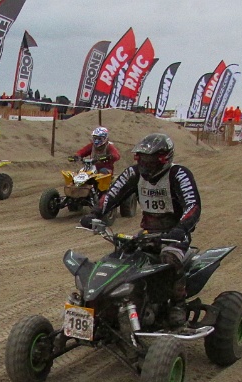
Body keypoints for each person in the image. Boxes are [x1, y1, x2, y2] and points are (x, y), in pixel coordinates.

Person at [80, 133, 201, 326]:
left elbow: (192, 205)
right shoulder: (134, 173)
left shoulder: (179, 174)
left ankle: (178, 305)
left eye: (151, 159)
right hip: (146, 234)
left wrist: (181, 228)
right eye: (143, 158)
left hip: (174, 236)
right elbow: (113, 194)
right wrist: (96, 213)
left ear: (164, 158)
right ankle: (111, 305)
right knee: (119, 258)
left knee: (170, 259)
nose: (146, 163)